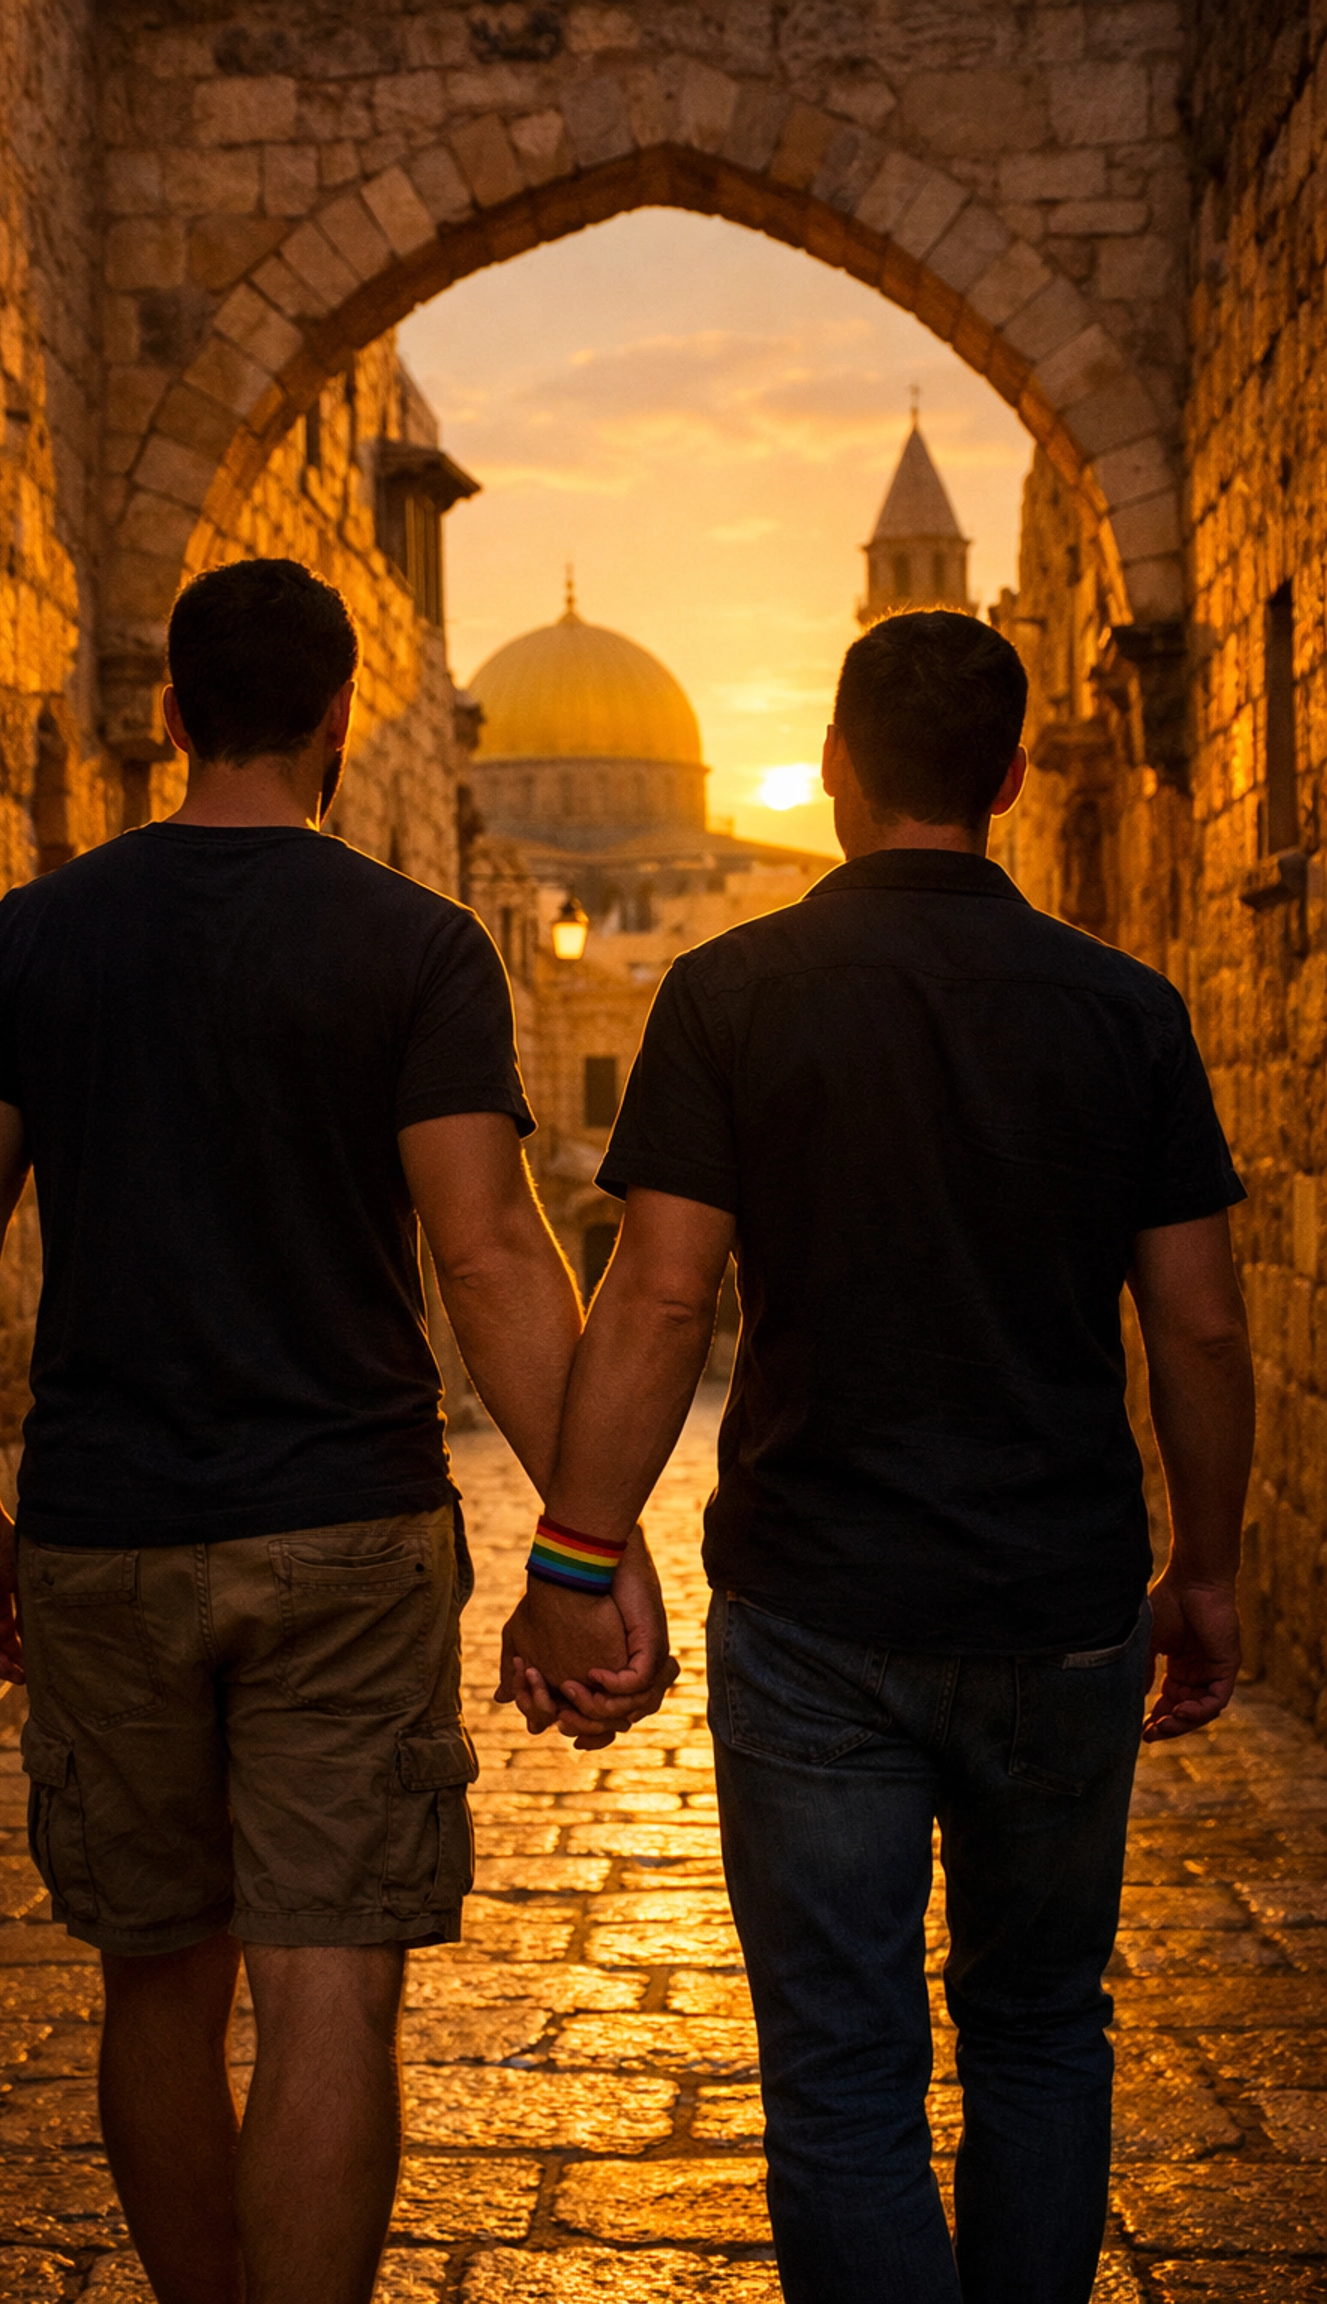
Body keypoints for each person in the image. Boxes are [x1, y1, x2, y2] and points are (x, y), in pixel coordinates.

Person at [0, 558, 670, 2304]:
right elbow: (489, 1251)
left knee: (157, 1985)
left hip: (101, 1530)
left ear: (172, 716)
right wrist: (587, 1535)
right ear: (338, 721)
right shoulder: (418, 945)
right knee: (331, 1990)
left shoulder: (32, 939)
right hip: (347, 1533)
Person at [503, 610, 1254, 2304]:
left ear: (834, 768)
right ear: (1009, 779)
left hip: (818, 1612)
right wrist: (1206, 1572)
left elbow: (661, 1295)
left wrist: (574, 1558)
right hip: (1061, 1604)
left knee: (842, 2066)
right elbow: (1202, 1330)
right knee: (1041, 2027)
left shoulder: (729, 994)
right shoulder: (1127, 1012)